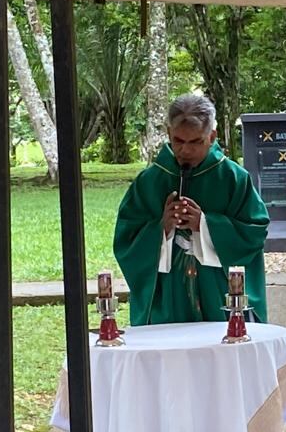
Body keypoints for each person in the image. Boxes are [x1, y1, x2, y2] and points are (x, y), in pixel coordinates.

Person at [114, 94, 269, 325]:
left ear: (212, 136)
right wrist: (161, 228)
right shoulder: (150, 181)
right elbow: (127, 241)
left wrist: (205, 225)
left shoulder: (233, 178)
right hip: (167, 293)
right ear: (168, 134)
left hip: (217, 290)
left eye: (195, 142)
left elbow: (254, 231)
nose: (185, 150)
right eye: (178, 141)